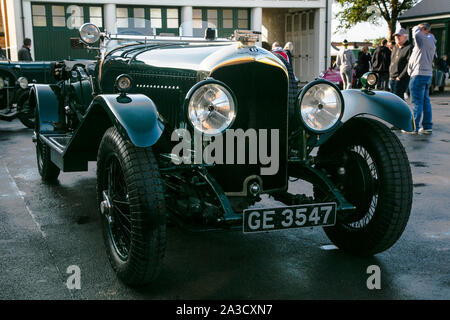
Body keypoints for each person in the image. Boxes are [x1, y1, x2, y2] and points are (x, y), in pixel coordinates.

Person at [407, 23, 436, 134]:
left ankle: (414, 127)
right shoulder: (432, 41)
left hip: (418, 74)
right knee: (425, 101)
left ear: (425, 30)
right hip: (428, 74)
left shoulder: (422, 40)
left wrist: (416, 27)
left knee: (417, 102)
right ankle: (427, 126)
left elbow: (416, 34)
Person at [389, 28, 413, 100]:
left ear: (405, 36)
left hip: (401, 78)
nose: (397, 37)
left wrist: (400, 77)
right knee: (393, 99)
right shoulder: (395, 47)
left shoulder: (409, 47)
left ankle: (401, 111)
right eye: (396, 36)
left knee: (398, 99)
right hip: (392, 76)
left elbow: (409, 64)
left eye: (399, 35)